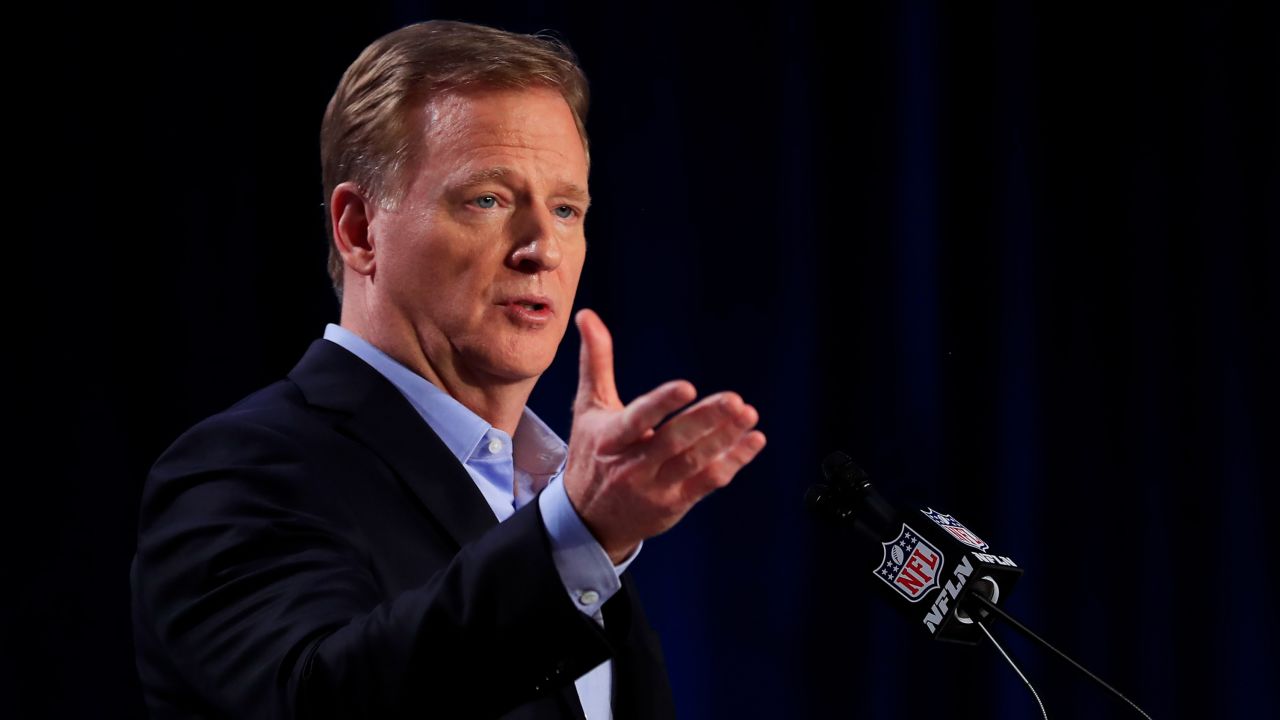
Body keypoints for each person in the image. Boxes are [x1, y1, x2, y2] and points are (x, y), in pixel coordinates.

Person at [131, 19, 765, 720]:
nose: (541, 249)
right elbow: (320, 701)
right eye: (488, 200)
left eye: (565, 208)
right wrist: (576, 536)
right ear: (359, 230)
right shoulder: (241, 470)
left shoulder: (547, 491)